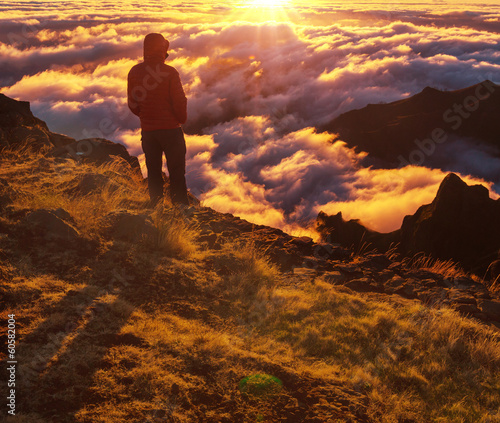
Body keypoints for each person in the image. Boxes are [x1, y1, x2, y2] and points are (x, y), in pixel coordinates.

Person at [127, 33, 189, 207]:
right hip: (171, 131)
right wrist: (179, 120)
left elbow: (132, 104)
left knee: (153, 172)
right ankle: (181, 210)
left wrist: (146, 116)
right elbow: (179, 102)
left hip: (148, 132)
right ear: (163, 49)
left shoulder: (134, 72)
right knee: (176, 173)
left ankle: (156, 207)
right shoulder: (170, 73)